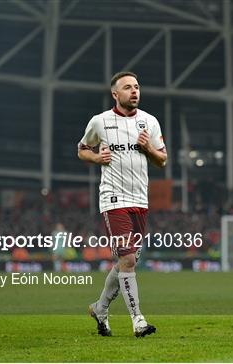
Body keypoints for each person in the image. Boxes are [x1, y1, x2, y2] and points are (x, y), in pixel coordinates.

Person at [77, 71, 167, 338]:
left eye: (137, 87)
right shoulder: (100, 122)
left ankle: (100, 307)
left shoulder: (149, 122)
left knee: (126, 262)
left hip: (140, 199)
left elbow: (162, 159)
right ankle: (138, 320)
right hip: (114, 199)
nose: (134, 91)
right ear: (115, 94)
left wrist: (147, 149)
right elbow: (82, 148)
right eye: (128, 88)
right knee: (127, 259)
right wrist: (96, 158)